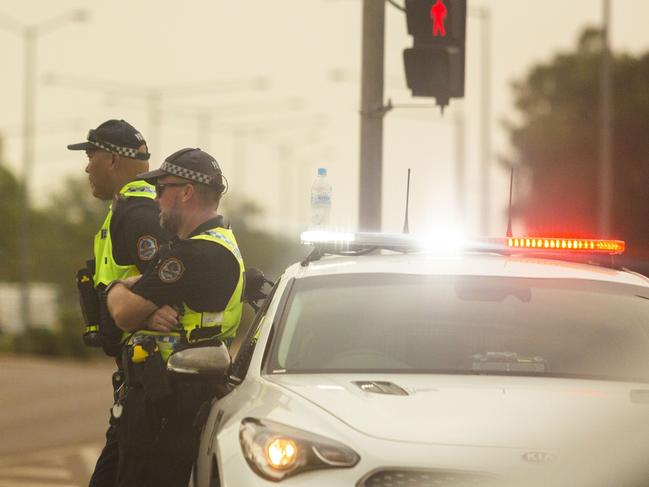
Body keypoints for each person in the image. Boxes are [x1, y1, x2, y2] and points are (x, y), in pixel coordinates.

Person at [104, 147, 244, 487]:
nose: (156, 199)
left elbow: (123, 314)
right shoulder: (214, 243)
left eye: (161, 189)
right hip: (163, 399)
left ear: (186, 192)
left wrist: (113, 288)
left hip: (167, 405)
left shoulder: (195, 255)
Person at [68, 119, 170, 487]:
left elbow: (171, 277)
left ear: (112, 160)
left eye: (91, 155)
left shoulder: (139, 213)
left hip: (152, 385)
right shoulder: (130, 208)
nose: (86, 166)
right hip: (135, 381)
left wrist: (152, 310)